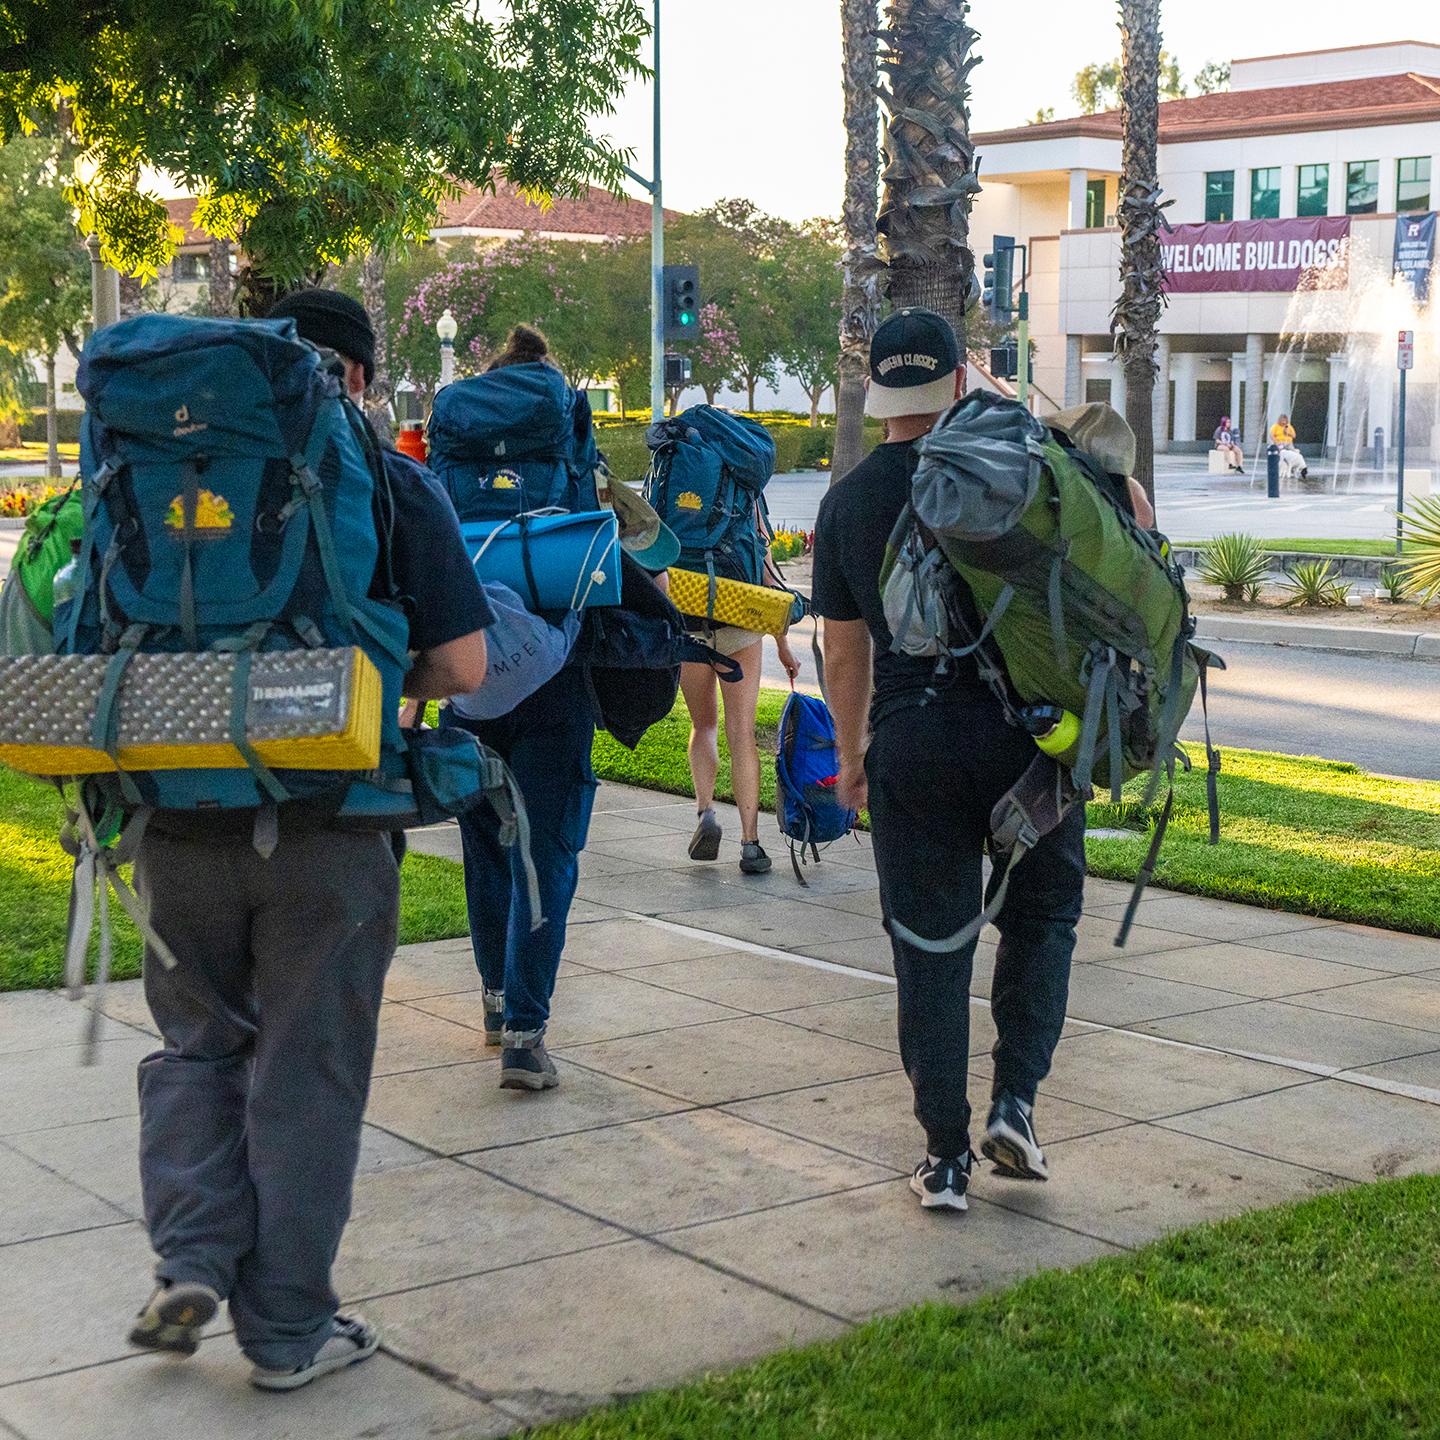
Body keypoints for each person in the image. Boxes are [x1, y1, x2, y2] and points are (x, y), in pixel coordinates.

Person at [128, 289, 493, 1387]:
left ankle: (189, 1257)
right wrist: (374, 695)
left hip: (171, 815)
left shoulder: (148, 464)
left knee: (198, 1044)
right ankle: (287, 1331)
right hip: (331, 822)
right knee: (307, 1071)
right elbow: (465, 665)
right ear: (360, 377)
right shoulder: (387, 479)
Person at [811, 307, 1091, 1214]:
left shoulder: (849, 500)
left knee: (930, 944)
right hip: (1032, 745)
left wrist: (854, 755)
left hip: (916, 744)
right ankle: (1016, 1104)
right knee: (1041, 921)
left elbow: (843, 652)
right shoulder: (1023, 467)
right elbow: (1132, 521)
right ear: (957, 380)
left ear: (880, 391)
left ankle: (943, 1156)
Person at [436, 324, 601, 1091]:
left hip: (464, 675)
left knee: (484, 844)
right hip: (554, 679)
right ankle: (526, 1037)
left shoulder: (455, 443)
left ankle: (498, 1001)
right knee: (546, 850)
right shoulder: (567, 439)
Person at [682, 541, 800, 876]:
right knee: (741, 734)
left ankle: (706, 813)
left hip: (688, 619)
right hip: (739, 622)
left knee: (703, 724)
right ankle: (750, 843)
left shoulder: (670, 486)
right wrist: (783, 645)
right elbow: (769, 579)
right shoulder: (746, 495)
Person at [1270, 413, 1308, 479]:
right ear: (1280, 420)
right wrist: (1276, 443)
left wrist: (1288, 432)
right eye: (1282, 421)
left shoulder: (1289, 426)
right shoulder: (1275, 426)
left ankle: (1293, 469)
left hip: (1289, 443)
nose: (1284, 422)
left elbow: (1294, 436)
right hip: (1280, 443)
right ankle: (1280, 469)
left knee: (1295, 454)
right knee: (1281, 455)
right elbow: (1271, 435)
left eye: (1285, 421)